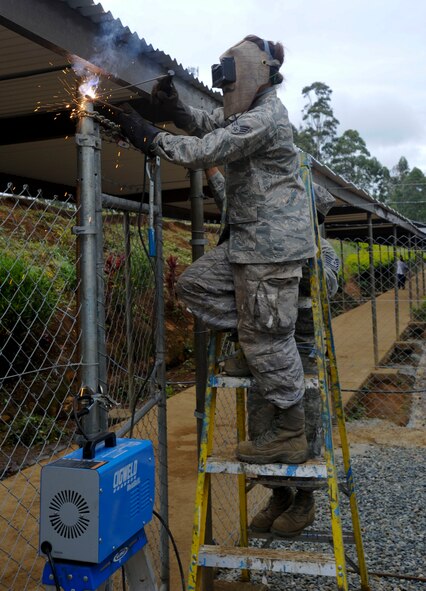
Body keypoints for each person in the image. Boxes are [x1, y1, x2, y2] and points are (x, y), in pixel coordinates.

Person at [118, 35, 316, 465]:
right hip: (248, 243)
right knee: (195, 285)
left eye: (229, 83)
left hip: (271, 247)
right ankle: (253, 336)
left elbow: (209, 148)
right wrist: (177, 112)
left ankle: (291, 430)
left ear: (252, 75)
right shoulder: (248, 113)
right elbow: (214, 125)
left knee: (268, 337)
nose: (225, 92)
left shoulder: (266, 117)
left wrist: (152, 138)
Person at [205, 168, 340, 536]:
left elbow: (326, 287)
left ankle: (304, 502)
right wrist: (213, 168)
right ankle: (279, 495)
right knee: (263, 431)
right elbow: (234, 200)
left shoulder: (323, 252)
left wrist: (303, 250)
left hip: (300, 355)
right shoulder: (266, 239)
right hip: (261, 353)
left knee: (303, 431)